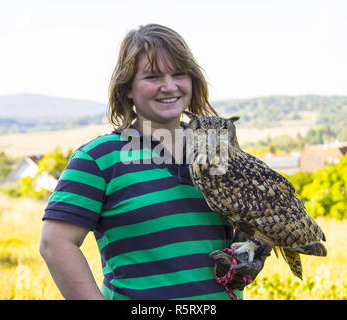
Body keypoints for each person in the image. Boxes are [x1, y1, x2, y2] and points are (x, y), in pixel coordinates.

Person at [39, 23, 267, 300]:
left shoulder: (217, 149)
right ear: (127, 89)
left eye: (179, 74)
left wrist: (254, 245)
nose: (169, 86)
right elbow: (55, 244)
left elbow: (253, 221)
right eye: (152, 76)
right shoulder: (99, 158)